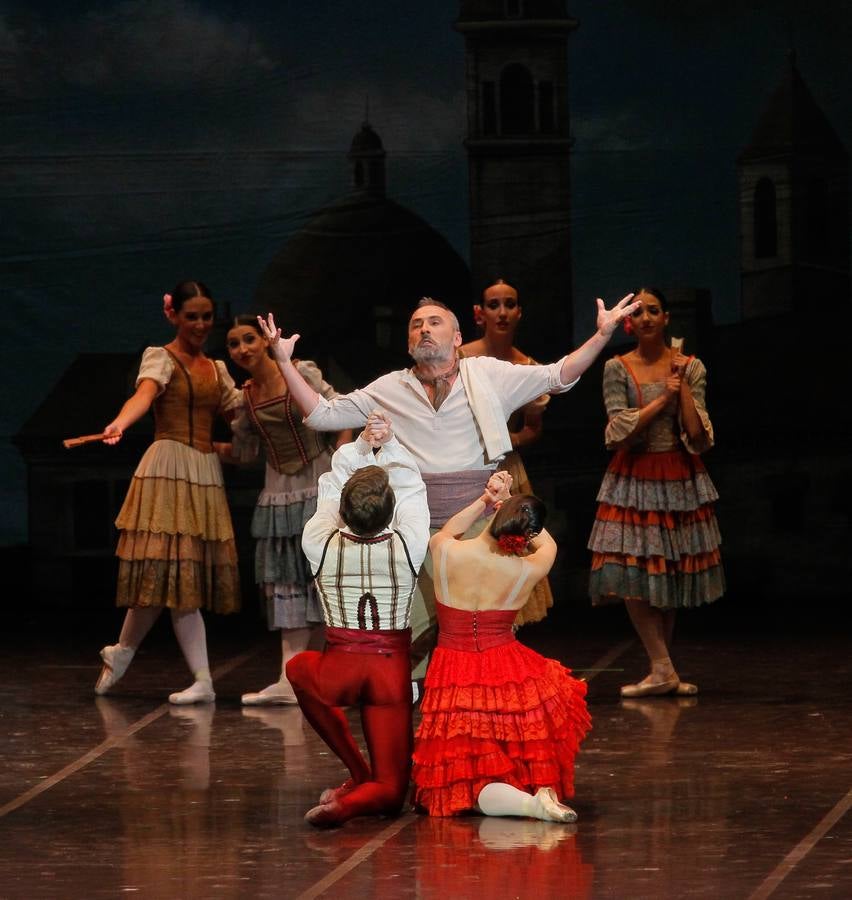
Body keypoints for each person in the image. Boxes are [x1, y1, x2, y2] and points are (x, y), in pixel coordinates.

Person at [257, 292, 640, 656]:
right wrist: (284, 362)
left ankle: (477, 706)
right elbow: (325, 415)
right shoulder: (391, 386)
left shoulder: (487, 374)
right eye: (416, 324)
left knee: (476, 623)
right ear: (408, 342)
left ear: (457, 337)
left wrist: (603, 334)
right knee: (416, 624)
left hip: (477, 519)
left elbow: (558, 375)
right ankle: (425, 706)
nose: (424, 328)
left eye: (434, 322)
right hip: (414, 523)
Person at [411, 472, 591, 822]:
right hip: (507, 668)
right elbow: (547, 545)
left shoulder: (448, 552)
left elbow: (447, 530)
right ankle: (530, 801)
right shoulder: (526, 568)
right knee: (499, 766)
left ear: (494, 518)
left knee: (463, 780)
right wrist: (513, 500)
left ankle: (528, 805)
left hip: (456, 669)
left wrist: (488, 499)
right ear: (524, 534)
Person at [94, 280, 242, 704]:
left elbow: (241, 418)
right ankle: (200, 678)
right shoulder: (161, 358)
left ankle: (126, 653)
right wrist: (121, 422)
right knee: (166, 570)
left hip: (204, 472)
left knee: (176, 575)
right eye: (190, 316)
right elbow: (145, 394)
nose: (199, 325)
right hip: (168, 467)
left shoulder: (217, 370)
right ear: (172, 315)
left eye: (206, 317)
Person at [288, 412, 430, 827]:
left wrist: (359, 447)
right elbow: (411, 488)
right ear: (392, 512)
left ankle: (356, 772)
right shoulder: (410, 543)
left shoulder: (318, 541)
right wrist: (388, 445)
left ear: (344, 511)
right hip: (389, 675)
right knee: (391, 793)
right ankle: (351, 800)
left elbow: (330, 491)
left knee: (297, 667)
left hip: (339, 671)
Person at [587, 287, 724, 697]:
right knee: (633, 571)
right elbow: (617, 432)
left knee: (670, 569)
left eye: (655, 311)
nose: (646, 318)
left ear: (666, 319)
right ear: (628, 322)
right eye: (639, 312)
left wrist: (679, 385)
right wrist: (662, 395)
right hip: (633, 476)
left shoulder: (691, 367)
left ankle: (661, 667)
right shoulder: (617, 367)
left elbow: (697, 434)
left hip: (678, 474)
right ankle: (662, 665)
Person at [225, 315, 349, 706]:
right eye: (233, 344)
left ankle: (324, 674)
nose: (242, 349)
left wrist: (343, 459)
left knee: (324, 579)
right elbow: (245, 452)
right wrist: (194, 446)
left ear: (265, 340)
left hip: (319, 478)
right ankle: (290, 676)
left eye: (248, 339)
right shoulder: (245, 396)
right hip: (280, 489)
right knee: (288, 579)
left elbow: (341, 411)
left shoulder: (301, 371)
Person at [459, 278, 553, 626]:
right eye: (494, 304)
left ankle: (502, 639)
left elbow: (532, 430)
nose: (502, 312)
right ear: (479, 313)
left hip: (504, 467)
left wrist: (505, 439)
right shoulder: (460, 357)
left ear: (519, 312)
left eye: (509, 304)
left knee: (508, 551)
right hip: (460, 464)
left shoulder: (527, 366)